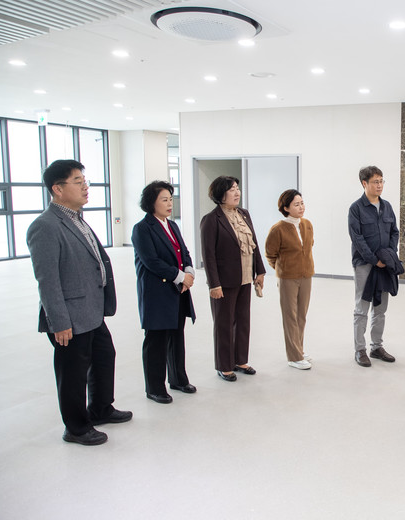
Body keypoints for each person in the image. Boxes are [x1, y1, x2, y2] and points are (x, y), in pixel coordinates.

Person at [26, 159, 132, 446]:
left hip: (91, 311)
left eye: (85, 181)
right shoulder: (45, 226)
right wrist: (59, 322)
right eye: (77, 181)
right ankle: (75, 427)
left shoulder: (76, 218)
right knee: (73, 374)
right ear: (57, 189)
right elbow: (47, 280)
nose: (85, 187)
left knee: (104, 357)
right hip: (70, 317)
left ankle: (101, 408)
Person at [131, 181, 197, 404]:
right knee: (156, 340)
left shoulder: (172, 225)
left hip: (177, 289)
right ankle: (155, 388)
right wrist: (180, 276)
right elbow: (151, 261)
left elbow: (184, 252)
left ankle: (178, 379)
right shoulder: (142, 228)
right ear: (151, 202)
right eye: (164, 200)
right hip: (157, 292)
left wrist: (189, 271)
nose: (170, 204)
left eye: (170, 199)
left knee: (177, 336)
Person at [200, 176, 266, 382]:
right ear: (221, 194)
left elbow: (254, 243)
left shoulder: (244, 214)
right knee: (224, 323)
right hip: (224, 281)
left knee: (243, 320)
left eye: (237, 188)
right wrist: (214, 284)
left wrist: (260, 271)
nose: (237, 193)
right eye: (231, 190)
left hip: (245, 276)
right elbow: (208, 255)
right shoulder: (211, 220)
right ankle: (224, 365)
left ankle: (240, 360)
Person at [348, 165, 401, 367]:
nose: (379, 185)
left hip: (384, 265)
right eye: (375, 182)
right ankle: (360, 350)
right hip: (364, 264)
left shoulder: (387, 206)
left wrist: (388, 255)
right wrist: (374, 259)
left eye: (381, 181)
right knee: (362, 308)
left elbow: (394, 232)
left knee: (380, 308)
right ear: (364, 183)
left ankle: (376, 347)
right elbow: (357, 238)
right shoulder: (356, 209)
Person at [265, 189, 315, 370]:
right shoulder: (278, 229)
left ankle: (298, 349)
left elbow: (309, 246)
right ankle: (294, 357)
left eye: (302, 203)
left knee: (301, 315)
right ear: (286, 208)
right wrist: (283, 269)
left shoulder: (307, 224)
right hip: (287, 278)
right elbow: (270, 254)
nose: (301, 207)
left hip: (306, 276)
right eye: (296, 204)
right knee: (290, 317)